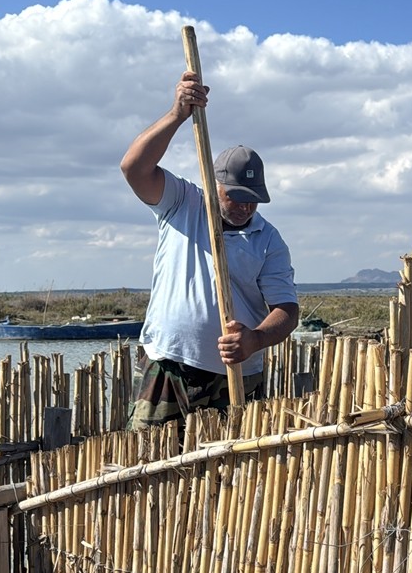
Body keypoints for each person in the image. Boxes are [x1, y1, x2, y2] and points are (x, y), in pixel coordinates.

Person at [120, 70, 299, 429]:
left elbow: (287, 309)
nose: (245, 208)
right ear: (213, 183)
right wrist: (177, 114)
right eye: (235, 197)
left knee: (227, 474)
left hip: (233, 375)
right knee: (146, 464)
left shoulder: (268, 239)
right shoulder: (183, 202)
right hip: (168, 364)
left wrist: (255, 340)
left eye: (253, 201)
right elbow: (134, 168)